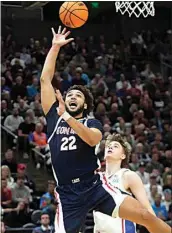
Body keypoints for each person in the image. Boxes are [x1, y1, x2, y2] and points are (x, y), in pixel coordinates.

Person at [40, 26, 171, 233]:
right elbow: (45, 80)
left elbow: (92, 140)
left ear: (84, 105)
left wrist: (66, 116)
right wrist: (55, 47)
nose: (72, 97)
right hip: (67, 194)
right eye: (70, 94)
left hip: (94, 185)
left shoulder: (92, 123)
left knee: (145, 215)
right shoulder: (54, 117)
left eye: (78, 96)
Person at [94, 134, 155, 233]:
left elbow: (148, 210)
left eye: (115, 146)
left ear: (123, 155)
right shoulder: (97, 179)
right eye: (109, 146)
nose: (110, 147)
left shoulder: (128, 176)